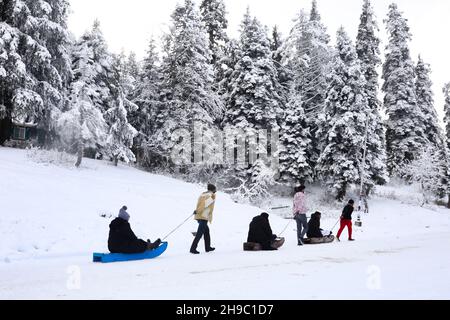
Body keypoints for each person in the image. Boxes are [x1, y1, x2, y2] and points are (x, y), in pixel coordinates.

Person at [190, 184, 217, 254]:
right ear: (212, 189)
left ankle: (208, 247)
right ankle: (193, 249)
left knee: (206, 232)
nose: (216, 190)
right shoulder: (211, 195)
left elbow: (200, 204)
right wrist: (198, 211)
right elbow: (205, 204)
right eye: (215, 189)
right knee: (199, 233)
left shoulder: (202, 194)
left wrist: (197, 211)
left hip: (199, 215)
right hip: (203, 216)